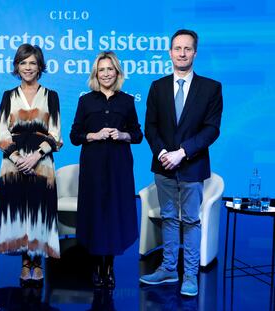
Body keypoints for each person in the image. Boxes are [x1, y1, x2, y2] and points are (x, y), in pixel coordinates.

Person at [140, 29, 223, 296]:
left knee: (190, 219)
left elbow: (211, 130)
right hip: (163, 165)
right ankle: (167, 269)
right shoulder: (158, 86)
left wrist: (182, 152)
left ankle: (189, 275)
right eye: (177, 48)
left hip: (192, 165)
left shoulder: (211, 88)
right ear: (170, 52)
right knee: (168, 218)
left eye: (187, 49)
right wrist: (163, 151)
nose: (182, 53)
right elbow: (150, 126)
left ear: (195, 53)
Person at [70, 51, 143, 289]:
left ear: (117, 72)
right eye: (101, 70)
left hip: (119, 165)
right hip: (92, 166)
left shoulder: (127, 101)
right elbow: (74, 136)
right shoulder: (86, 101)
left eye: (110, 69)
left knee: (113, 213)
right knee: (95, 213)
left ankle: (108, 267)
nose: (106, 74)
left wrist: (123, 135)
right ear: (96, 74)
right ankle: (96, 265)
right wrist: (93, 135)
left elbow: (138, 134)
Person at [0, 44, 62, 288]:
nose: (28, 67)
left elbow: (55, 135)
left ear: (40, 66)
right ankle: (25, 263)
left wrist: (35, 156)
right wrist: (17, 158)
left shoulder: (51, 96)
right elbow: (1, 133)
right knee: (20, 211)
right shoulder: (7, 96)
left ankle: (37, 262)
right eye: (23, 63)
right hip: (13, 164)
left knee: (38, 211)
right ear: (17, 66)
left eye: (33, 63)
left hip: (42, 163)